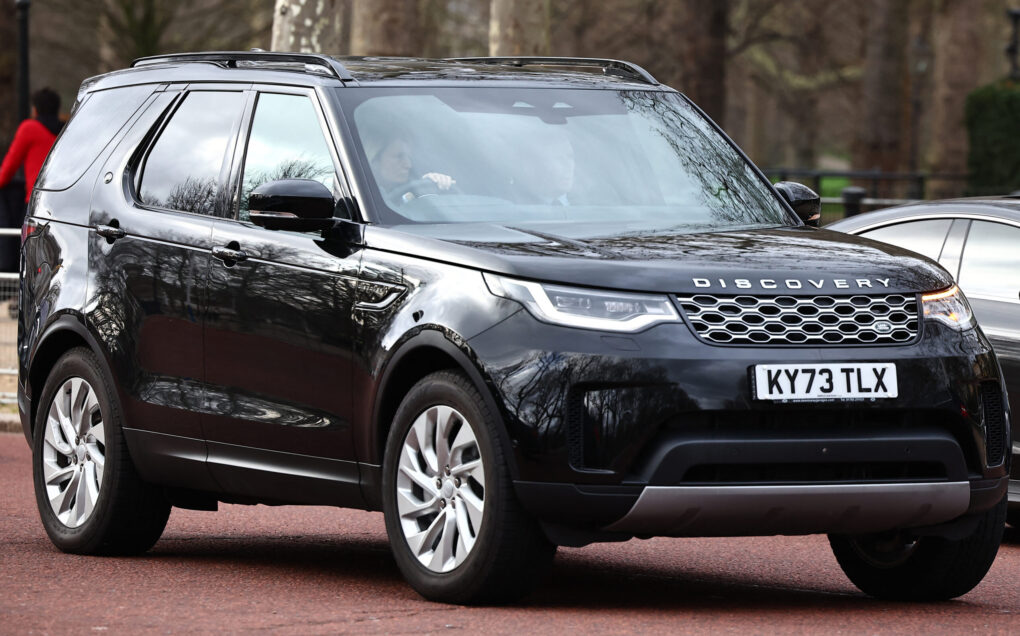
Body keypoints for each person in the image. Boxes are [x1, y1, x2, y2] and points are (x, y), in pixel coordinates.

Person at [0, 88, 63, 203]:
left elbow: (9, 166)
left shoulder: (29, 128)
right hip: (63, 198)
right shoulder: (66, 130)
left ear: (35, 110)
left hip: (37, 201)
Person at [365, 129, 455, 205]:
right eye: (399, 156)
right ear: (375, 160)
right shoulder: (362, 199)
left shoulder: (411, 190)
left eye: (409, 157)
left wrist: (435, 184)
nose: (408, 165)